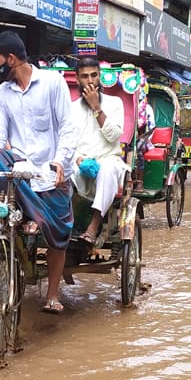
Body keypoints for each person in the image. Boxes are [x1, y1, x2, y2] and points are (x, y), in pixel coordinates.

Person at [0, 31, 77, 315]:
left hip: (50, 174)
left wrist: (60, 161)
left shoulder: (52, 82)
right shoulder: (4, 93)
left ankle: (52, 294)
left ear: (11, 59)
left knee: (58, 236)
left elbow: (67, 127)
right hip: (19, 172)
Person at [70, 57, 128, 243]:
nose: (90, 81)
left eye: (94, 75)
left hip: (107, 159)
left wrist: (97, 108)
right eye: (85, 76)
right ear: (78, 80)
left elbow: (113, 135)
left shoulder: (115, 103)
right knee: (57, 171)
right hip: (79, 162)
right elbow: (67, 142)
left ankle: (94, 225)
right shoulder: (70, 109)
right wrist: (78, 159)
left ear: (99, 77)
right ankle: (64, 224)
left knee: (108, 169)